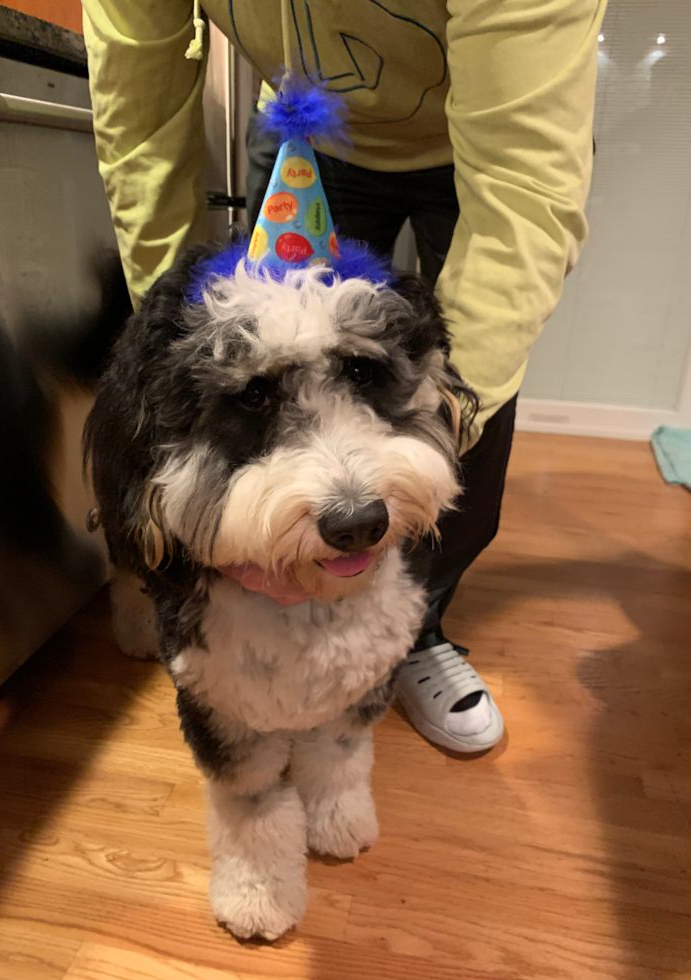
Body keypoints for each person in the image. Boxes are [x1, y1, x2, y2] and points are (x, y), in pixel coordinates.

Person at [81, 0, 606, 752]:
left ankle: (411, 629)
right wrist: (171, 342)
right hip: (309, 134)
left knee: (441, 415)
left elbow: (527, 194)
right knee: (233, 396)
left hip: (477, 137)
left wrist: (454, 403)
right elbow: (139, 123)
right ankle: (239, 624)